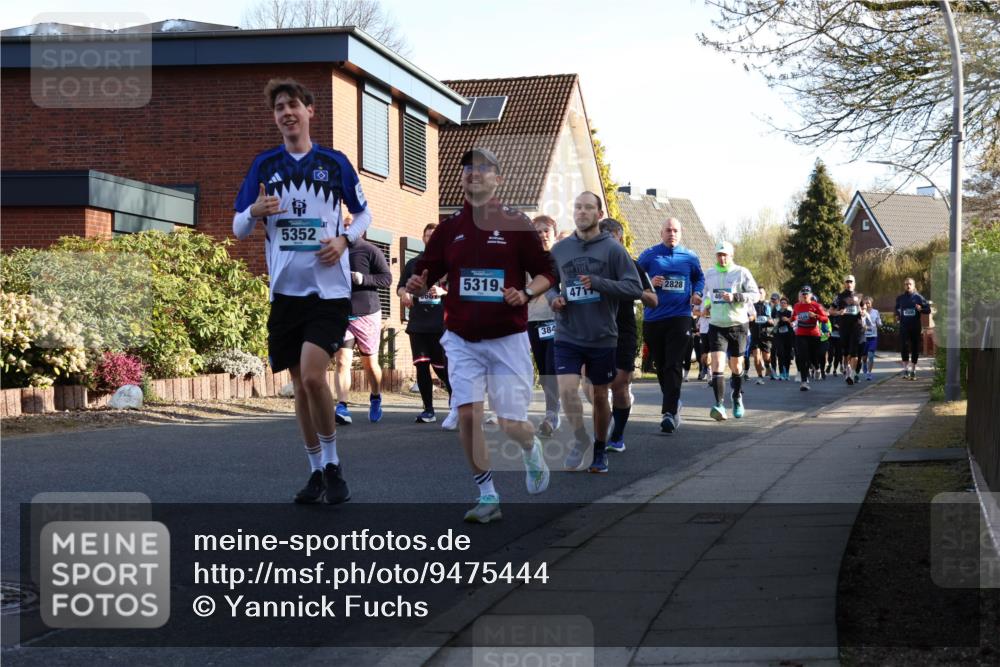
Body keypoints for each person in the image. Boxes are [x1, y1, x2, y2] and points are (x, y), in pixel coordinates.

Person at [232, 78, 369, 505]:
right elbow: (238, 228)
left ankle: (332, 464)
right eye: (279, 108)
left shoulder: (334, 163)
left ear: (310, 111)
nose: (286, 113)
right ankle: (314, 473)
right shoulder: (264, 166)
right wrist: (254, 210)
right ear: (275, 118)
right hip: (284, 296)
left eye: (293, 105)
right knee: (298, 385)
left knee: (314, 376)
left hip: (328, 293)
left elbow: (363, 214)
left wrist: (345, 241)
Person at [407, 147, 554, 523]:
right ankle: (487, 494)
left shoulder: (517, 224)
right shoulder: (449, 228)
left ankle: (530, 447)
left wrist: (526, 293)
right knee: (469, 416)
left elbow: (546, 273)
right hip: (460, 337)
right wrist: (414, 285)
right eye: (468, 169)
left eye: (483, 169)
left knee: (509, 423)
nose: (474, 173)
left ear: (498, 179)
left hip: (507, 338)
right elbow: (423, 273)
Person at [548, 197, 641, 474]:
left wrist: (599, 283)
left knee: (600, 396)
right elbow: (550, 283)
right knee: (566, 390)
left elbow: (634, 288)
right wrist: (554, 299)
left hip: (602, 336)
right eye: (577, 206)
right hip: (567, 333)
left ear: (599, 214)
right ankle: (580, 438)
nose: (582, 211)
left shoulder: (613, 250)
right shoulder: (560, 249)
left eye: (589, 207)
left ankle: (600, 450)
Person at [637, 218, 705, 433]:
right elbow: (632, 280)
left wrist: (697, 293)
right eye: (668, 230)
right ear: (661, 232)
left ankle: (668, 412)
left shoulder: (690, 256)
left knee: (674, 363)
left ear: (681, 233)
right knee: (662, 365)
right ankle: (673, 401)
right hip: (654, 317)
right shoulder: (649, 255)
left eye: (676, 230)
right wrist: (650, 282)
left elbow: (699, 278)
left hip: (680, 316)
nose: (672, 233)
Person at [598, 217, 657, 455]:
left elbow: (653, 300)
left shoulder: (631, 265)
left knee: (619, 385)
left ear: (618, 238)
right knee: (596, 388)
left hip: (623, 330)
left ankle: (618, 435)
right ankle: (602, 426)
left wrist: (633, 290)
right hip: (594, 331)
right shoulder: (588, 265)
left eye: (609, 238)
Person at [333, 220, 393, 424]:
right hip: (342, 313)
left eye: (350, 225)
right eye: (344, 225)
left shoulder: (370, 250)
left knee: (370, 364)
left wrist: (363, 279)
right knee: (342, 361)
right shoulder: (334, 249)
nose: (346, 228)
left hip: (367, 313)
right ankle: (342, 406)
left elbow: (387, 279)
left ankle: (375, 396)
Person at [398, 223, 452, 424]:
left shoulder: (449, 262)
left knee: (441, 368)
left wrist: (444, 292)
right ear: (423, 238)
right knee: (421, 366)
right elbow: (400, 288)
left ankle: (455, 401)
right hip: (418, 323)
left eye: (434, 235)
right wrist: (405, 295)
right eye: (427, 235)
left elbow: (459, 290)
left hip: (441, 323)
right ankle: (428, 409)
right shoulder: (413, 263)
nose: (431, 238)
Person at [702, 241, 759, 420]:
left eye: (725, 254)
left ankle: (736, 396)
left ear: (731, 255)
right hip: (717, 325)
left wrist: (735, 297)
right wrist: (707, 305)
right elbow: (706, 295)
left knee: (736, 366)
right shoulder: (709, 274)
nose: (722, 258)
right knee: (718, 364)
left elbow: (755, 295)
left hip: (738, 325)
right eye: (719, 255)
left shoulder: (741, 272)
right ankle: (719, 405)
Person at [527, 215, 562, 438]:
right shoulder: (527, 260)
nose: (542, 235)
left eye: (546, 231)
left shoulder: (560, 259)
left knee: (551, 367)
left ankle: (552, 415)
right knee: (542, 367)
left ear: (554, 233)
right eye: (537, 232)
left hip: (556, 320)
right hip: (533, 319)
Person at [792, 286, 829, 391]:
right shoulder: (797, 306)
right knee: (803, 357)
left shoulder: (816, 305)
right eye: (803, 294)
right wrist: (790, 320)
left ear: (811, 295)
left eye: (807, 294)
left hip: (813, 334)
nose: (805, 296)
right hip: (801, 334)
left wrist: (816, 316)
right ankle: (804, 382)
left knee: (813, 357)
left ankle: (817, 368)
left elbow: (825, 319)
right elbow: (794, 316)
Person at [831, 275, 864, 385]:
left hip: (856, 326)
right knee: (845, 352)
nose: (849, 284)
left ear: (854, 284)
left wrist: (863, 312)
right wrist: (839, 313)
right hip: (844, 327)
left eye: (851, 282)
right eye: (847, 282)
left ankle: (852, 374)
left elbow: (863, 309)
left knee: (854, 351)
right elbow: (830, 311)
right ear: (844, 283)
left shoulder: (859, 296)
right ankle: (848, 370)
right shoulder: (839, 297)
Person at [895, 277, 929, 380]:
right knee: (904, 347)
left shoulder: (919, 298)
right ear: (904, 286)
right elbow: (896, 309)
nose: (908, 286)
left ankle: (913, 369)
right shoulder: (900, 298)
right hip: (904, 326)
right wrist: (897, 314)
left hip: (915, 326)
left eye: (910, 284)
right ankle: (905, 369)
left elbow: (928, 310)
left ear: (914, 286)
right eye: (906, 284)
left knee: (915, 348)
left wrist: (921, 309)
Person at [750, 287, 775, 385]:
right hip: (755, 334)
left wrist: (772, 321)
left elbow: (776, 318)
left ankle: (768, 366)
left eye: (761, 292)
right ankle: (759, 377)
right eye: (758, 292)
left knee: (766, 357)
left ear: (765, 294)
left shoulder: (770, 305)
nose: (759, 294)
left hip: (766, 334)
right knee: (756, 357)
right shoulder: (751, 305)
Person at [772, 296, 795, 381]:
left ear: (787, 304)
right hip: (779, 336)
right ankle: (781, 373)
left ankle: (787, 373)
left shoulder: (790, 312)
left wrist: (788, 320)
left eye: (784, 303)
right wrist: (775, 322)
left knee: (787, 355)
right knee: (780, 354)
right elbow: (774, 322)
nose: (783, 304)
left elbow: (794, 323)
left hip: (788, 335)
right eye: (781, 303)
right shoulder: (777, 312)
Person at [861, 297, 882, 380]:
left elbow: (879, 321)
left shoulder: (875, 312)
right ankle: (864, 364)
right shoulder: (862, 312)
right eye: (865, 303)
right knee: (864, 358)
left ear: (871, 303)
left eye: (868, 303)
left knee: (871, 355)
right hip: (864, 337)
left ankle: (869, 373)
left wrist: (879, 323)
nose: (867, 305)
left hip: (873, 337)